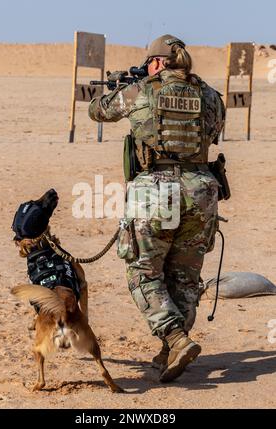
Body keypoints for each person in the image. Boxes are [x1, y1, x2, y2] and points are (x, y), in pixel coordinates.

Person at [88, 35, 225, 382]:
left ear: (160, 63)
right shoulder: (210, 95)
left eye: (151, 62)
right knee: (185, 277)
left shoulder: (141, 91)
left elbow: (98, 110)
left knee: (143, 272)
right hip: (201, 192)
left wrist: (129, 86)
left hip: (157, 192)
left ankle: (176, 338)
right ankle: (170, 352)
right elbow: (214, 128)